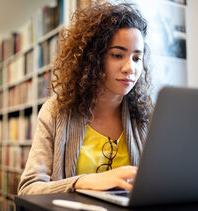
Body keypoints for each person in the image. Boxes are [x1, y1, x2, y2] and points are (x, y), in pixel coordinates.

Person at [18, 2, 153, 195]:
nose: (130, 68)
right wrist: (84, 182)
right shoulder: (55, 111)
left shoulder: (148, 116)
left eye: (137, 58)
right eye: (117, 55)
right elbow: (28, 189)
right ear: (92, 58)